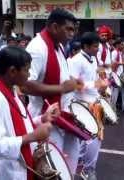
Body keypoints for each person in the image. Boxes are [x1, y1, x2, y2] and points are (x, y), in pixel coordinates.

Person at [0, 46, 59, 180]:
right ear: (12, 71)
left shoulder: (11, 90)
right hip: (14, 172)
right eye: (26, 70)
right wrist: (32, 137)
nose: (29, 75)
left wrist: (42, 118)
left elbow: (22, 124)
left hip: (25, 166)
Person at [22, 8, 82, 177]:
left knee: (68, 165)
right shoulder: (38, 47)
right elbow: (25, 85)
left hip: (64, 116)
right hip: (47, 119)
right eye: (68, 29)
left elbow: (61, 73)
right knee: (51, 170)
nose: (72, 33)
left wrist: (73, 81)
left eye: (74, 29)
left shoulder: (59, 46)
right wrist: (61, 89)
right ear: (55, 27)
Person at [68, 32, 108, 180]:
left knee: (89, 139)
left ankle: (82, 164)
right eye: (95, 46)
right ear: (85, 46)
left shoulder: (92, 58)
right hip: (82, 105)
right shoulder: (76, 61)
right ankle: (89, 169)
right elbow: (73, 84)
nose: (98, 49)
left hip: (94, 102)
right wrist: (96, 84)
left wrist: (102, 87)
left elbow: (94, 77)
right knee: (94, 139)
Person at [110, 39, 124, 113]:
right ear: (117, 45)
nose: (123, 46)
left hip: (121, 74)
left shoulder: (119, 52)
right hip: (115, 75)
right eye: (121, 44)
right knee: (115, 93)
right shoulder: (114, 52)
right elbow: (113, 62)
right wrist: (122, 63)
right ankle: (113, 110)